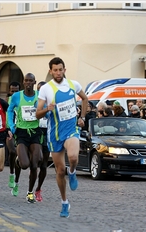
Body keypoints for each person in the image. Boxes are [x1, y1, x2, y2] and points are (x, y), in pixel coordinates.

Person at [35, 56, 88, 218]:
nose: (58, 72)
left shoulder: (74, 85)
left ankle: (72, 172)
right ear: (50, 71)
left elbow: (85, 99)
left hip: (71, 129)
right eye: (55, 70)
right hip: (54, 134)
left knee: (72, 157)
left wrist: (82, 117)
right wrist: (48, 109)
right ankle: (65, 202)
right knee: (59, 171)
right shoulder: (46, 89)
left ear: (65, 70)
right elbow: (37, 114)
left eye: (60, 69)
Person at [7, 73, 43, 203]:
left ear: (34, 82)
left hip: (35, 132)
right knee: (24, 165)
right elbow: (10, 111)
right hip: (21, 132)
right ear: (23, 82)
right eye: (26, 81)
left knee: (35, 164)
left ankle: (30, 192)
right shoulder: (17, 96)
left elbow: (45, 109)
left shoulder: (39, 95)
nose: (28, 83)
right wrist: (11, 126)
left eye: (30, 81)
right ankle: (18, 160)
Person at [35, 80, 50, 202]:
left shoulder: (51, 103)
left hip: (47, 133)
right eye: (40, 90)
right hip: (35, 131)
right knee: (37, 160)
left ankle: (38, 189)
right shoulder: (34, 102)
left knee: (44, 165)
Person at [5, 81, 21, 188]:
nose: (14, 93)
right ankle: (11, 173)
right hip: (9, 130)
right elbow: (6, 115)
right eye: (12, 91)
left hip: (21, 130)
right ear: (9, 91)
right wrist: (8, 128)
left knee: (19, 156)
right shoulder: (7, 101)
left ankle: (16, 180)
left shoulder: (22, 99)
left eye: (16, 91)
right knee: (12, 151)